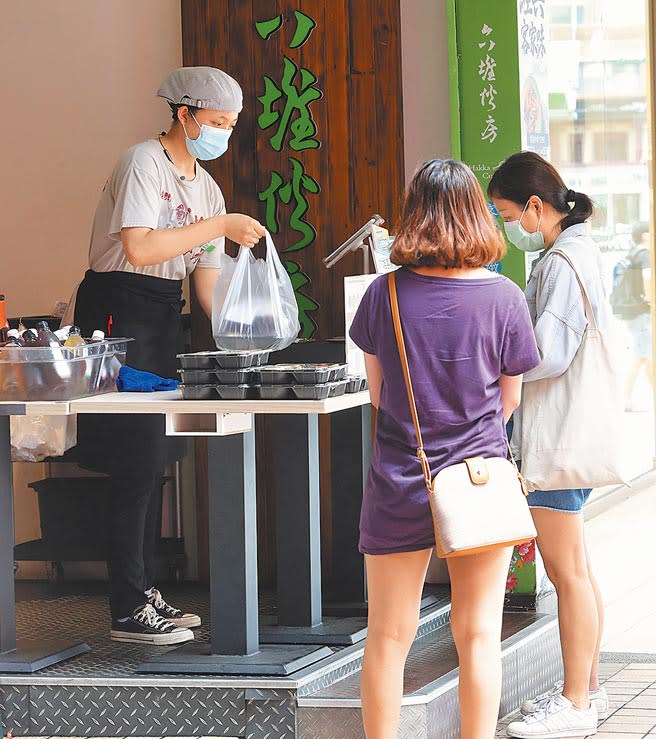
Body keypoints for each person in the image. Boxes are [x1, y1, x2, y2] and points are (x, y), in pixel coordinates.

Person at [72, 67, 265, 645]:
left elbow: (205, 284)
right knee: (134, 460)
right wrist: (221, 225)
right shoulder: (143, 162)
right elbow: (139, 244)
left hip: (162, 314)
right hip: (116, 311)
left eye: (230, 126)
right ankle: (128, 605)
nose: (223, 135)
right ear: (184, 114)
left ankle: (142, 591)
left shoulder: (207, 187)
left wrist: (246, 324)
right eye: (216, 123)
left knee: (154, 462)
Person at [349, 159, 541, 739]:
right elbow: (509, 399)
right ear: (475, 214)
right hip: (479, 480)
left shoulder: (383, 294)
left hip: (401, 477)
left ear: (416, 214)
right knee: (480, 633)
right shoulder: (505, 298)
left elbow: (381, 396)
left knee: (387, 636)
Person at [488, 151, 609, 738]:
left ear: (535, 206)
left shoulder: (562, 261)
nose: (510, 225)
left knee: (566, 574)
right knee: (578, 570)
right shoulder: (578, 250)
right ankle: (587, 687)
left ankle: (577, 702)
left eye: (509, 213)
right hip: (570, 431)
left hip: (557, 437)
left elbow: (550, 354)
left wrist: (494, 365)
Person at [619, 222, 652, 409]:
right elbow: (648, 280)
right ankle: (625, 398)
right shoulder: (645, 254)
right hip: (642, 312)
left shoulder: (633, 253)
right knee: (642, 355)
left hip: (631, 311)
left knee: (645, 355)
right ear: (645, 235)